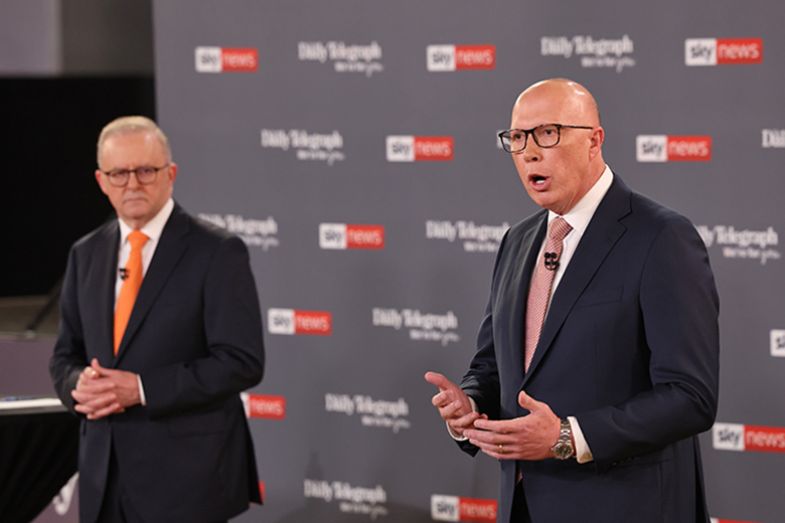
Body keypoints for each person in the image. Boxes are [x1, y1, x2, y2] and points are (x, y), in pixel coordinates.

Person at [425, 79, 719, 523]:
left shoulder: (660, 237)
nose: (530, 152)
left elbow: (690, 396)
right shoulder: (518, 240)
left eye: (548, 133)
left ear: (594, 141)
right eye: (518, 138)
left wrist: (567, 436)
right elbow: (491, 365)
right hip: (524, 507)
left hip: (626, 507)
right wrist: (470, 406)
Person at [50, 116, 265, 523]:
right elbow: (64, 356)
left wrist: (143, 388)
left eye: (146, 171)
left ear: (171, 174)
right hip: (103, 477)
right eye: (119, 173)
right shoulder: (85, 253)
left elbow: (242, 361)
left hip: (186, 482)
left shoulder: (217, 252)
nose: (132, 183)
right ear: (101, 181)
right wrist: (78, 386)